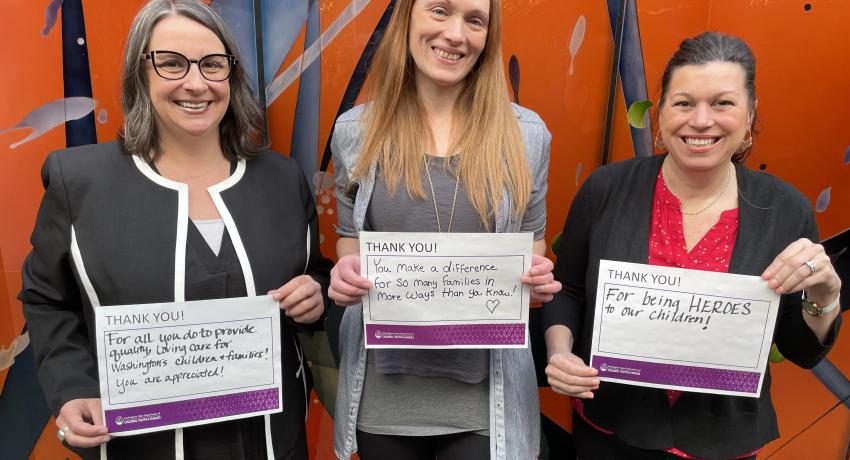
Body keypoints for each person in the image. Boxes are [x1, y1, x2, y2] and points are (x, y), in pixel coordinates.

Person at [19, 1, 331, 459]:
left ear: (231, 75)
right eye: (170, 63)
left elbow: (315, 274)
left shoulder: (283, 180)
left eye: (212, 64)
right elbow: (47, 298)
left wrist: (316, 295)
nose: (196, 82)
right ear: (139, 74)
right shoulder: (80, 182)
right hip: (141, 444)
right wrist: (71, 388)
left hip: (270, 442)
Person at [542, 31, 842, 459]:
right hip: (610, 432)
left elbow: (802, 348)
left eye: (722, 103)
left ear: (750, 112)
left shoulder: (784, 210)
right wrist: (560, 351)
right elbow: (567, 288)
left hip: (722, 443)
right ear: (661, 111)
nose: (701, 121)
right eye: (684, 103)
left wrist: (825, 293)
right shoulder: (606, 189)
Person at [326, 0, 560, 458]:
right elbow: (349, 236)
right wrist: (346, 269)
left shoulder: (526, 135)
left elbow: (535, 251)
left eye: (474, 20)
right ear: (407, 19)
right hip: (383, 390)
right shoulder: (356, 131)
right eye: (439, 11)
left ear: (487, 37)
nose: (455, 33)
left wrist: (535, 281)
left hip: (485, 398)